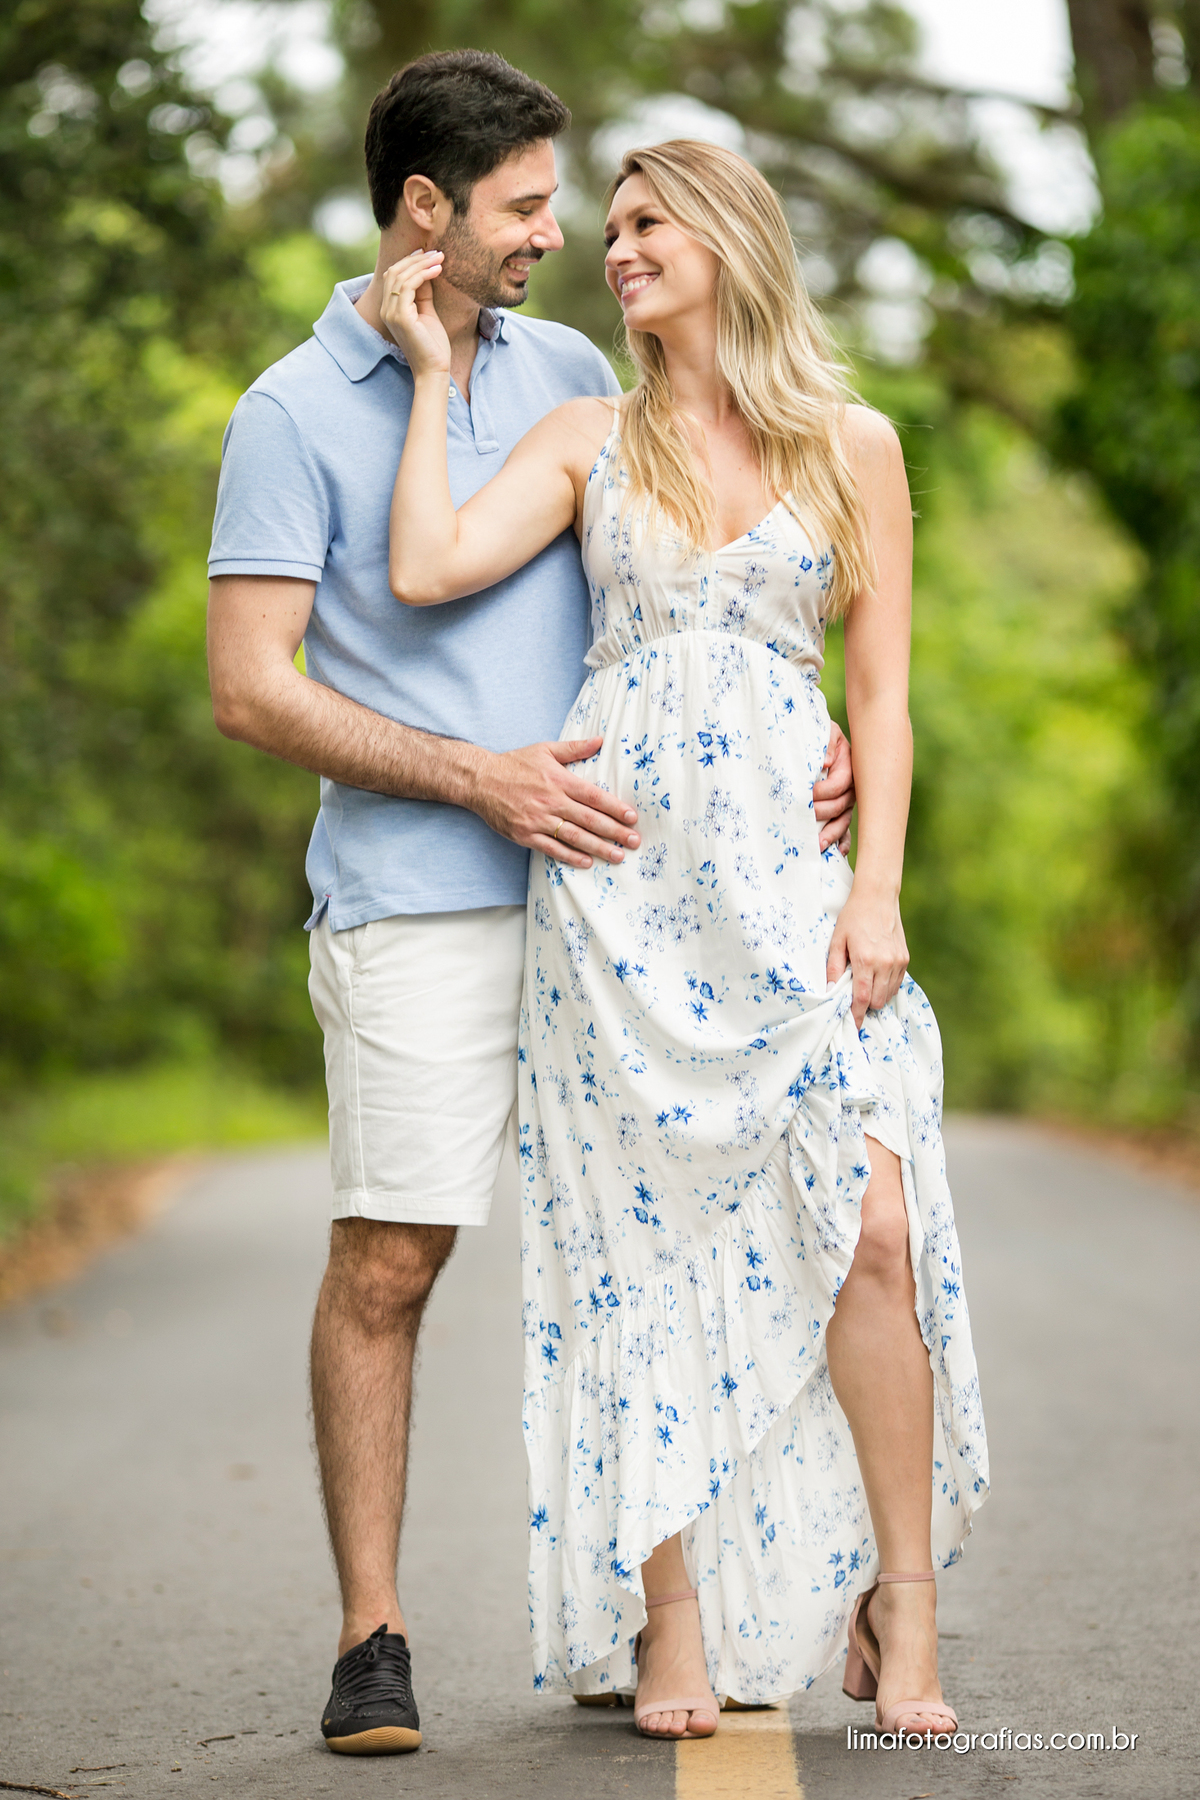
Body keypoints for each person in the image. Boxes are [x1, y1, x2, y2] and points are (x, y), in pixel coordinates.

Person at [206, 55, 855, 1755]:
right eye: (522, 208)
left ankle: (713, 1610)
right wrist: (476, 775)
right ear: (426, 210)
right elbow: (251, 690)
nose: (556, 237)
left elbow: (702, 561)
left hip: (634, 904)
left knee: (694, 1239)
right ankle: (374, 1638)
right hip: (419, 894)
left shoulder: (577, 369)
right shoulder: (287, 414)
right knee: (395, 1256)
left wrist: (813, 729)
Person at [381, 137, 988, 1743]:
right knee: (629, 1256)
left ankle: (904, 1603)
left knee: (868, 1227)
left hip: (796, 890)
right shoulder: (593, 436)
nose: (615, 249)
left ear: (726, 237)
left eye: (647, 224)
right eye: (612, 226)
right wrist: (434, 375)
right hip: (620, 898)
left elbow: (883, 701)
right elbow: (428, 564)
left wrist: (880, 888)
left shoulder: (851, 444)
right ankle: (672, 1620)